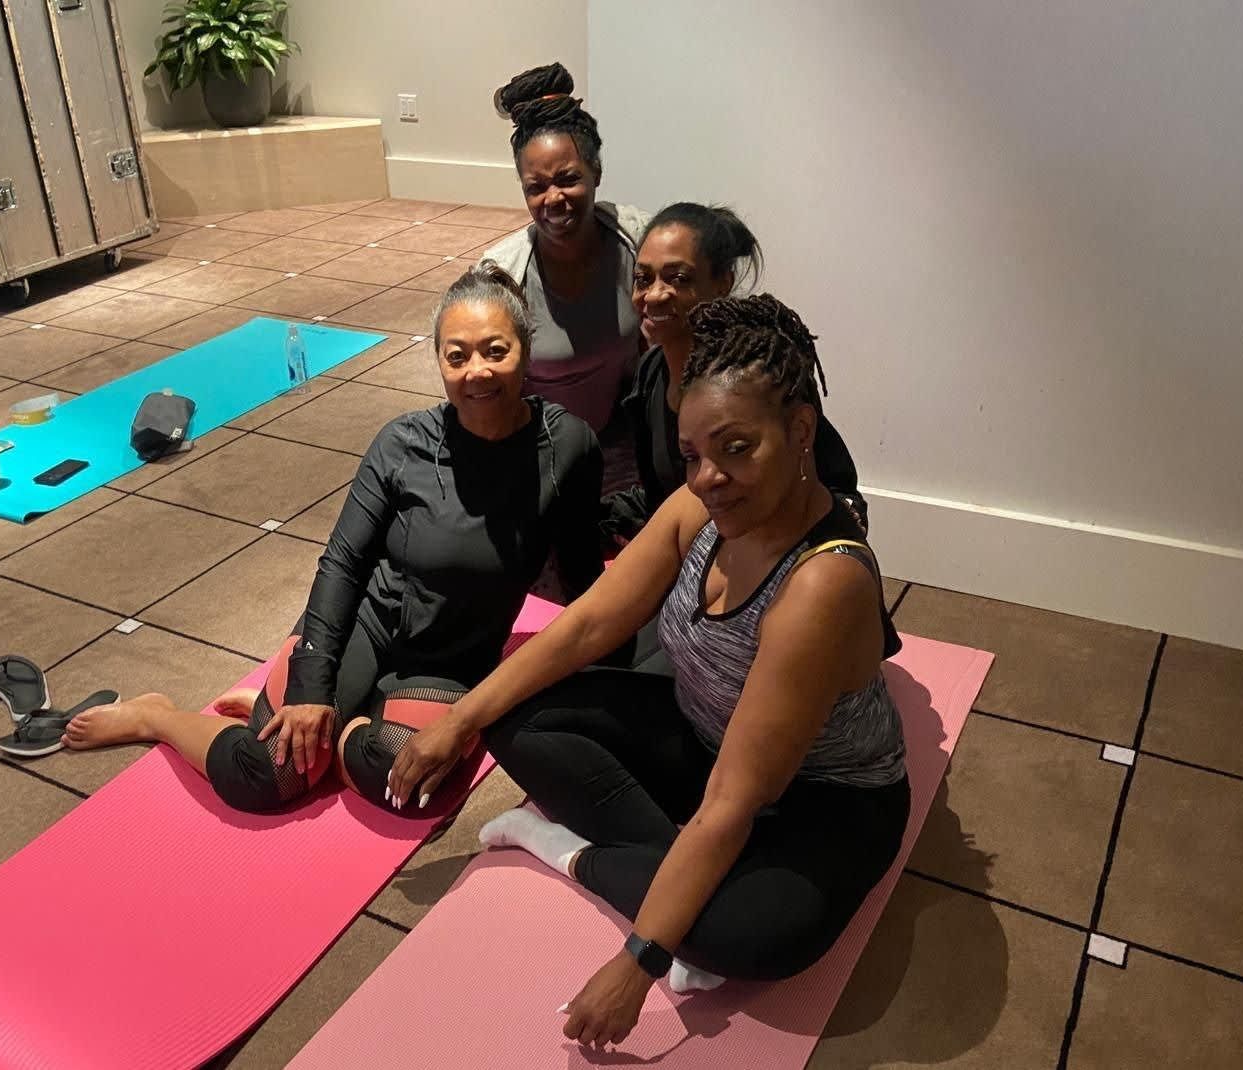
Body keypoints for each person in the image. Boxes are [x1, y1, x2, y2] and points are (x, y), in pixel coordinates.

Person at [388, 295, 908, 1050]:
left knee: (747, 938)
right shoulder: (701, 508)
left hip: (823, 800)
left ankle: (563, 849)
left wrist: (641, 959)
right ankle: (682, 883)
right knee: (512, 713)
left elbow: (737, 795)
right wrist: (457, 720)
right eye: (694, 454)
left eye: (737, 448)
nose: (710, 477)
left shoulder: (823, 584)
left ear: (799, 432)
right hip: (706, 742)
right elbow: (591, 622)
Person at [64, 264, 604, 815]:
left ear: (527, 347)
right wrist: (309, 689)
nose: (477, 373)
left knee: (411, 788)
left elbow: (588, 583)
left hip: (451, 661)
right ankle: (159, 715)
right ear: (439, 360)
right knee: (268, 776)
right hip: (365, 626)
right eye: (457, 356)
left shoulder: (567, 447)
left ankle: (333, 728)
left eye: (496, 351)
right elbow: (344, 564)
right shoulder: (403, 443)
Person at [603, 203, 866, 549]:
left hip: (770, 553)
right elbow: (661, 497)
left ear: (722, 282)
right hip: (694, 552)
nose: (653, 294)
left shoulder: (758, 378)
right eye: (643, 278)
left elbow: (831, 486)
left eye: (678, 278)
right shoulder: (650, 376)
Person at [481, 62, 649, 484]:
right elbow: (483, 396)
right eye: (535, 187)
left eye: (568, 179)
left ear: (597, 174)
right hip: (535, 459)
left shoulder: (637, 242)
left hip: (622, 449)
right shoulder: (501, 276)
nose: (553, 198)